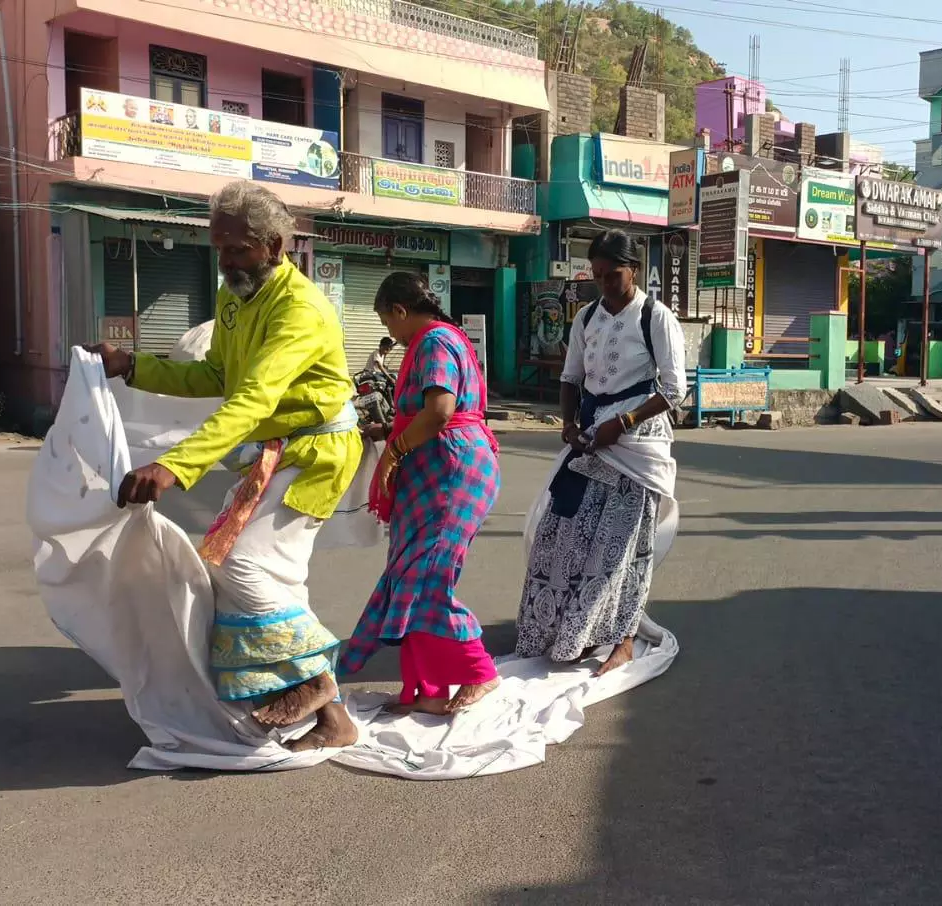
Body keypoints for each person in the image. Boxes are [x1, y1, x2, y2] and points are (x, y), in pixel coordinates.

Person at [86, 180, 361, 752]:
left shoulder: (301, 309)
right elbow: (216, 378)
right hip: (270, 451)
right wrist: (134, 367)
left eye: (237, 250)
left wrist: (175, 467)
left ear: (276, 245)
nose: (226, 261)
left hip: (314, 456)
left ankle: (321, 690)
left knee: (242, 567)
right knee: (261, 572)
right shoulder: (234, 296)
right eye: (219, 248)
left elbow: (252, 400)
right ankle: (331, 714)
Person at [516, 230, 685, 676]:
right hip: (592, 436)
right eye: (597, 275)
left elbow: (673, 389)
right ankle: (566, 630)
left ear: (634, 269)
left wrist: (623, 423)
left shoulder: (655, 316)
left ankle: (623, 640)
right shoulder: (587, 317)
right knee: (557, 537)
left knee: (619, 549)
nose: (605, 283)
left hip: (637, 444)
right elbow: (571, 378)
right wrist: (569, 424)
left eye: (614, 275)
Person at [338, 272, 502, 715]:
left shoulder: (432, 342)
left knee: (426, 580)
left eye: (387, 322)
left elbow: (441, 411)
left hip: (452, 471)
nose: (389, 332)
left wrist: (396, 450)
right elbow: (426, 413)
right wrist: (386, 431)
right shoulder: (441, 340)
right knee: (410, 578)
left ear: (400, 310)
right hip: (438, 471)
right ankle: (429, 691)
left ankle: (480, 671)